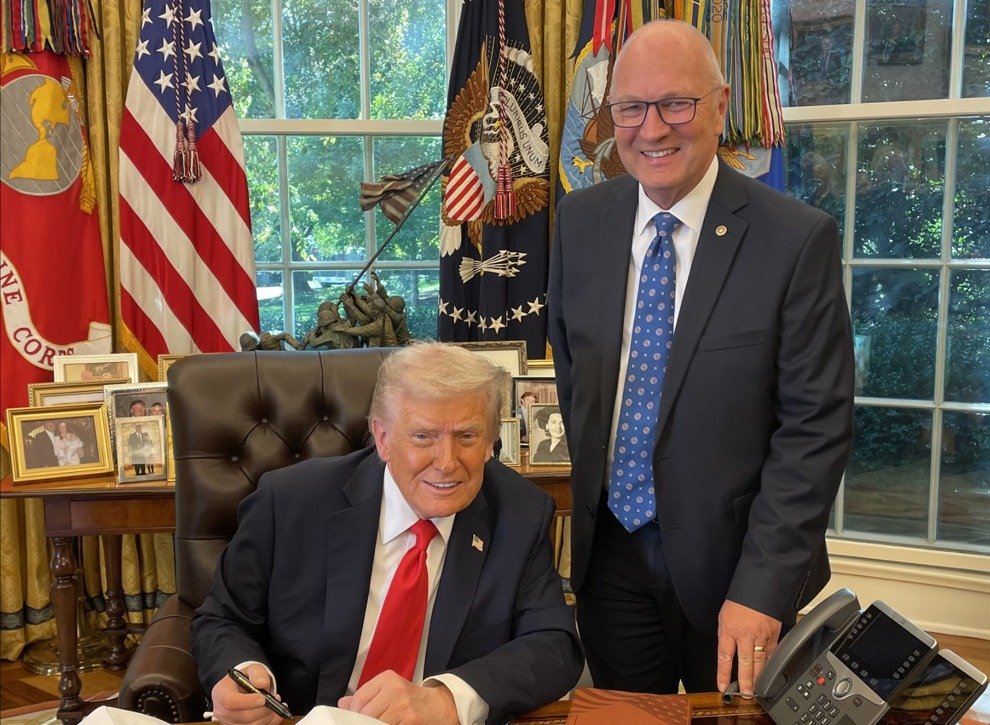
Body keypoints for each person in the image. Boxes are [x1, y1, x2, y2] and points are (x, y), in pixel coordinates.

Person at [547, 19, 854, 699]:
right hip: (610, 561)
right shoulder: (580, 221)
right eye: (631, 107)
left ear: (719, 106)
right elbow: (575, 377)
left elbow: (815, 430)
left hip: (738, 568)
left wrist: (762, 588)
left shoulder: (795, 240)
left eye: (676, 104)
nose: (652, 129)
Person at [191, 342, 583, 725]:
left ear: (490, 440)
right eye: (423, 436)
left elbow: (554, 644)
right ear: (382, 438)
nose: (447, 463)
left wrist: (447, 699)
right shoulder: (291, 502)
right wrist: (241, 673)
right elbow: (223, 619)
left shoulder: (520, 513)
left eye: (467, 436)